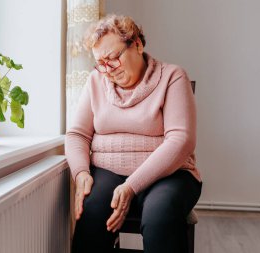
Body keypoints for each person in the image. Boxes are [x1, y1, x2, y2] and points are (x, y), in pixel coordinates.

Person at [65, 14, 202, 253]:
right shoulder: (95, 81)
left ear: (137, 44)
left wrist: (131, 186)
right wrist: (81, 174)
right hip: (108, 171)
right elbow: (77, 134)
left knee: (161, 217)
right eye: (101, 63)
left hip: (170, 175)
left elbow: (181, 141)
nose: (108, 70)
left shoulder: (172, 77)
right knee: (92, 211)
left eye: (114, 58)